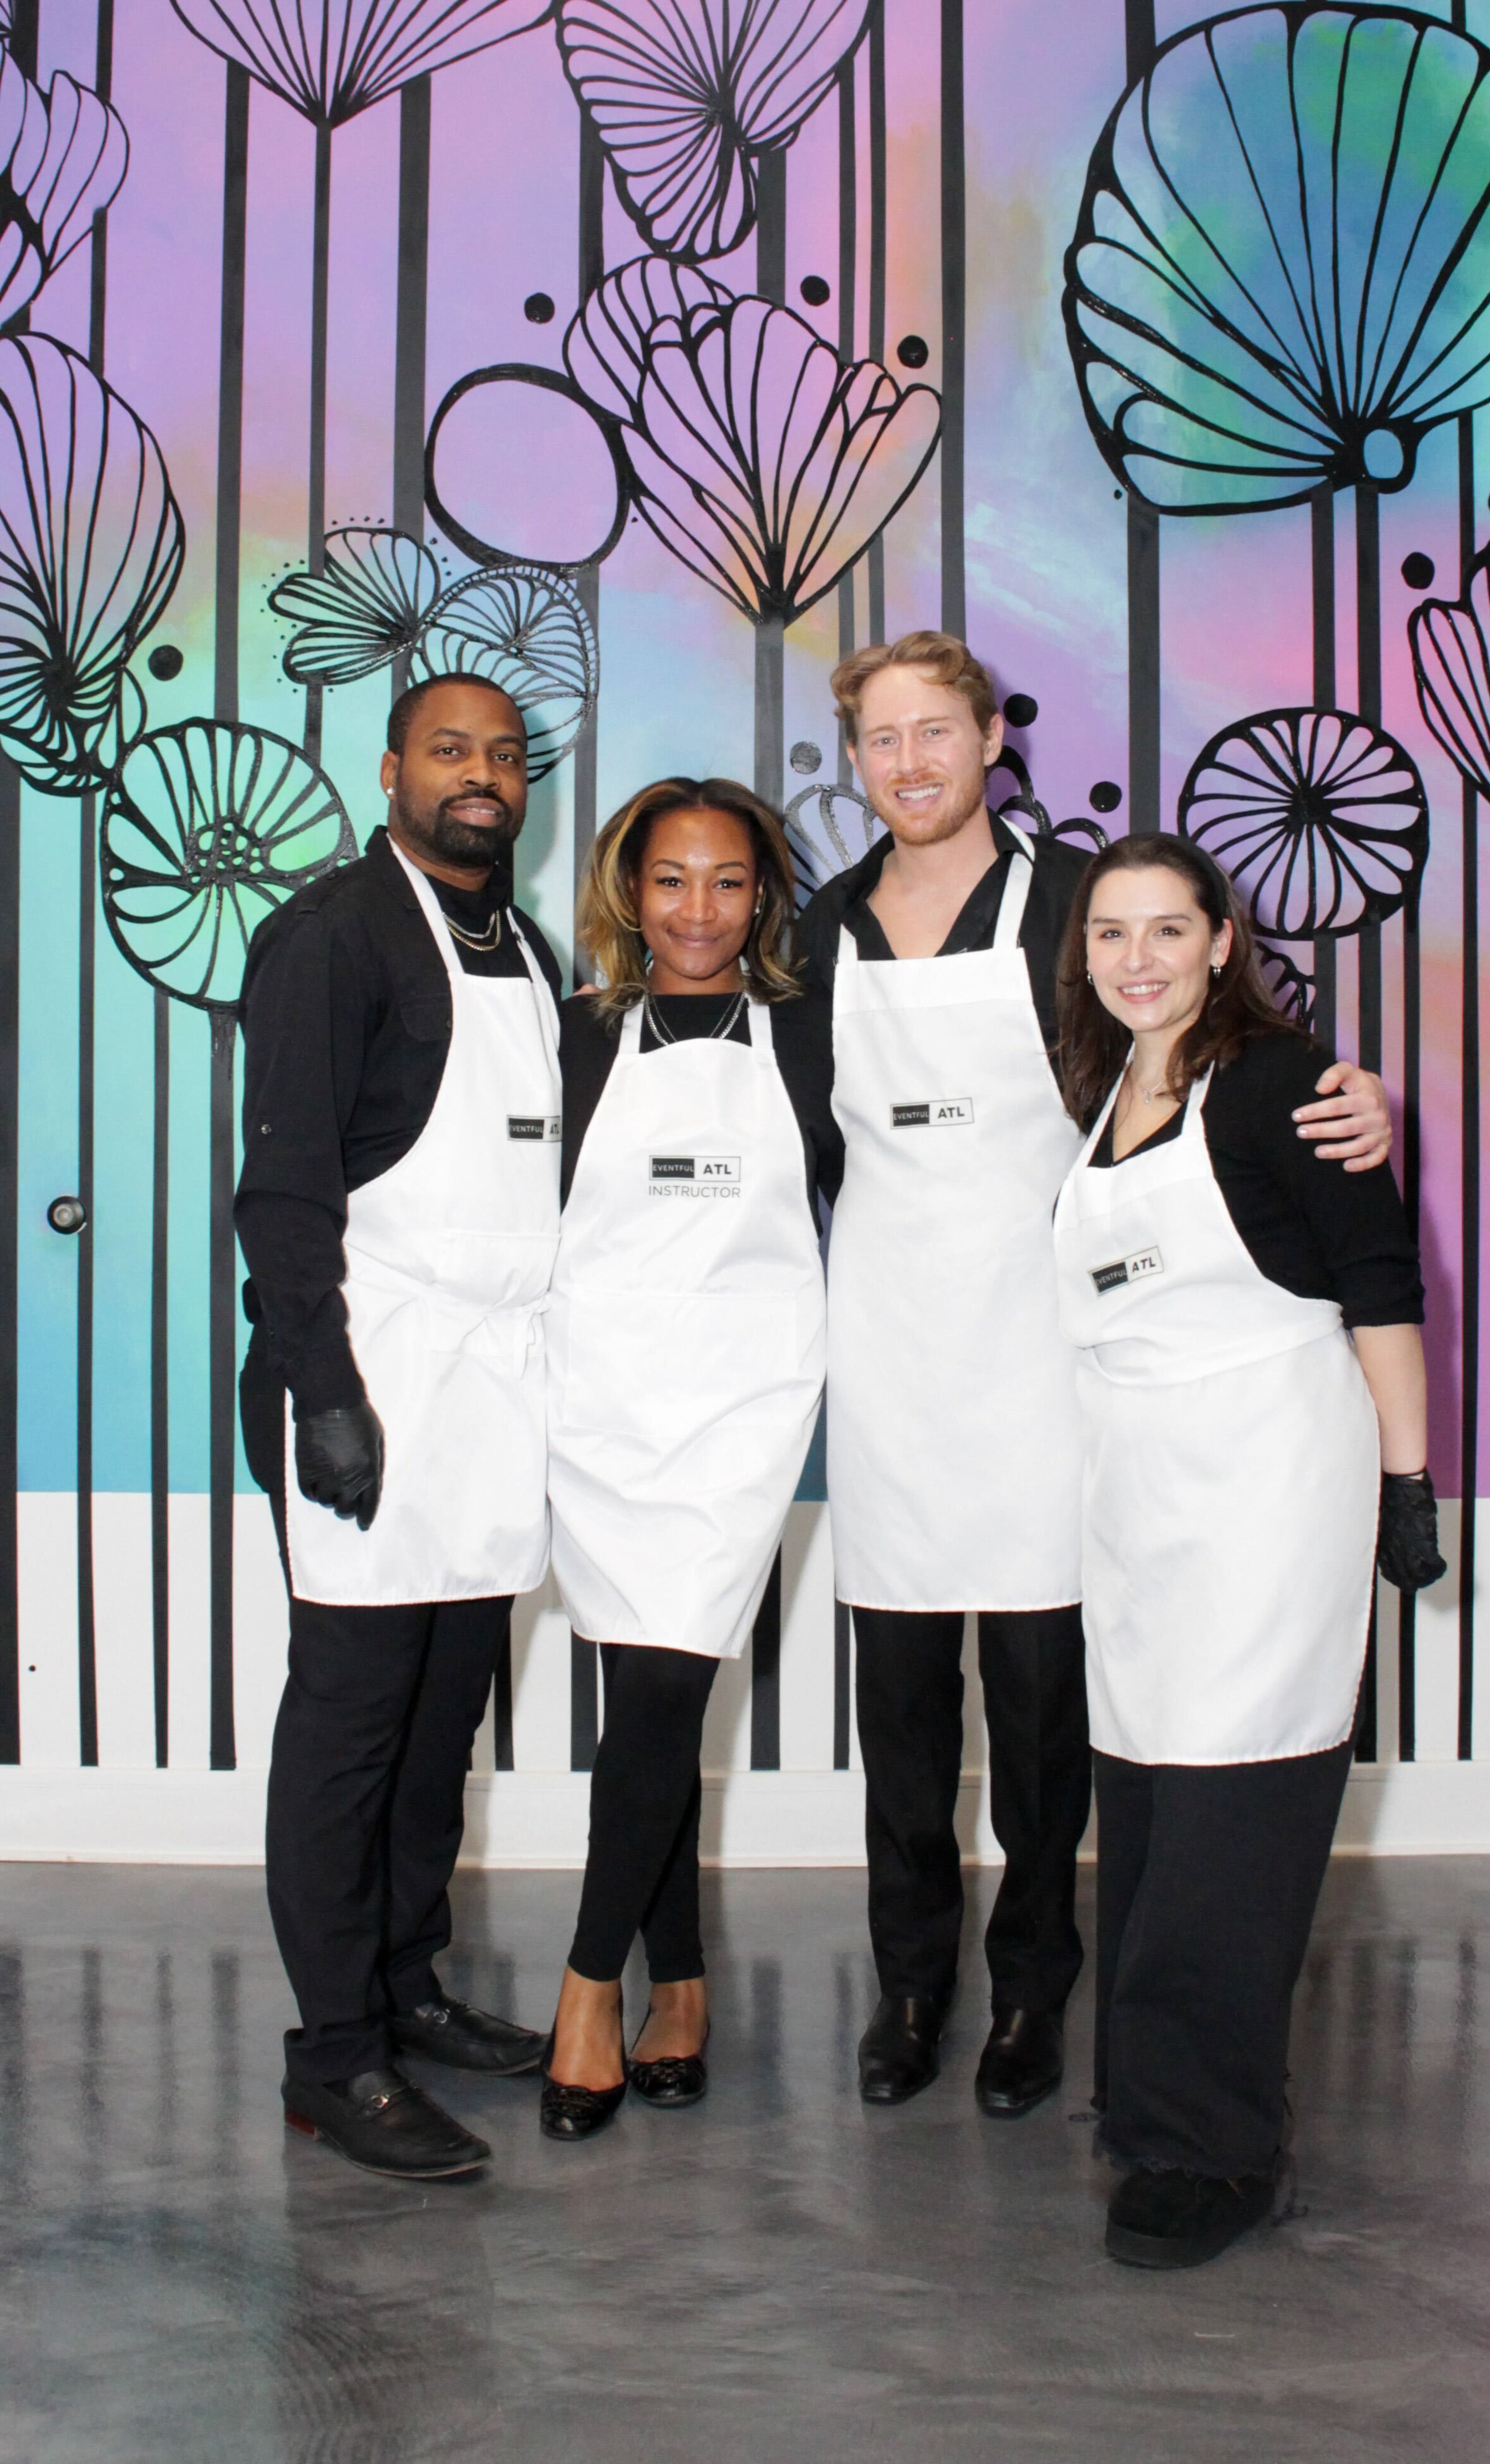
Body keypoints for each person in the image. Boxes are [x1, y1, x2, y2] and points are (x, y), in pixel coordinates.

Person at [798, 631, 1395, 2117]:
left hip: (1050, 1359)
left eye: (938, 730)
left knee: (1044, 1703)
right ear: (857, 757)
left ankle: (1032, 1988)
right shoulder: (821, 927)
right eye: (884, 737)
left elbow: (1217, 1045)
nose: (913, 761)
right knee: (902, 1708)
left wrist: (1356, 1096)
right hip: (890, 1354)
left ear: (992, 738)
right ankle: (911, 1983)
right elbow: (792, 1136)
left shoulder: (1072, 899)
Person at [1051, 832, 1443, 2269]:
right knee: (1150, 1808)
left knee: (1233, 1820)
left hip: (1268, 1492)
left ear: (1224, 941)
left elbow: (1378, 1281)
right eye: (1111, 934)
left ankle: (1217, 2149)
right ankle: (1150, 2099)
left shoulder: (1284, 1084)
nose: (1138, 959)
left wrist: (1409, 1478)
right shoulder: (1104, 1094)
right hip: (1142, 1504)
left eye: (1169, 929)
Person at [237, 674, 562, 2182]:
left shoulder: (526, 948)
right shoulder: (333, 934)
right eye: (449, 750)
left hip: (492, 1394)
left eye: (503, 754)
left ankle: (408, 1985)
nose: (480, 774)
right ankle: (334, 2056)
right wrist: (324, 1391)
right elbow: (285, 1191)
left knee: (441, 1726)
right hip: (371, 1379)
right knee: (352, 1732)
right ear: (390, 773)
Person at [538, 778, 837, 2141]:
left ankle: (586, 1991)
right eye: (671, 880)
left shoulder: (809, 1035)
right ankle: (685, 1986)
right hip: (601, 1409)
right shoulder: (578, 1036)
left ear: (763, 894)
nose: (699, 910)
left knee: (660, 1694)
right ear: (629, 891)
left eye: (728, 881)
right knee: (644, 1708)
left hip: (738, 1413)